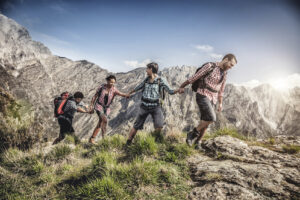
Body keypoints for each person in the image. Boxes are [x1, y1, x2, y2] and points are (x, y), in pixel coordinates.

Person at [178, 54, 237, 148]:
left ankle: (198, 143)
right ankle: (192, 134)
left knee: (205, 122)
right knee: (211, 118)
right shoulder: (210, 66)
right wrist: (182, 85)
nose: (231, 67)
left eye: (232, 66)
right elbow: (195, 77)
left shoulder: (225, 74)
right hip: (202, 94)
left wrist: (220, 103)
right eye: (231, 64)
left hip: (213, 98)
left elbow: (221, 90)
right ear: (226, 59)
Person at [126, 62, 183, 146]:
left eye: (147, 69)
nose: (146, 71)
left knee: (159, 125)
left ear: (151, 69)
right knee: (136, 125)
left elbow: (170, 91)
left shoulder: (161, 80)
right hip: (144, 106)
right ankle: (128, 142)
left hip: (156, 106)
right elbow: (139, 87)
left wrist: (178, 90)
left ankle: (153, 141)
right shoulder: (146, 79)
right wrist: (129, 93)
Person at [88, 75, 129, 144]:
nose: (112, 84)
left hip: (106, 108)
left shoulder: (114, 89)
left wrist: (126, 95)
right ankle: (104, 139)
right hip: (99, 106)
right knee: (105, 120)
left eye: (113, 82)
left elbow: (120, 93)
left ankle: (92, 139)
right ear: (107, 81)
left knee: (101, 123)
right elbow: (95, 96)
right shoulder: (101, 87)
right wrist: (91, 106)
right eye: (111, 82)